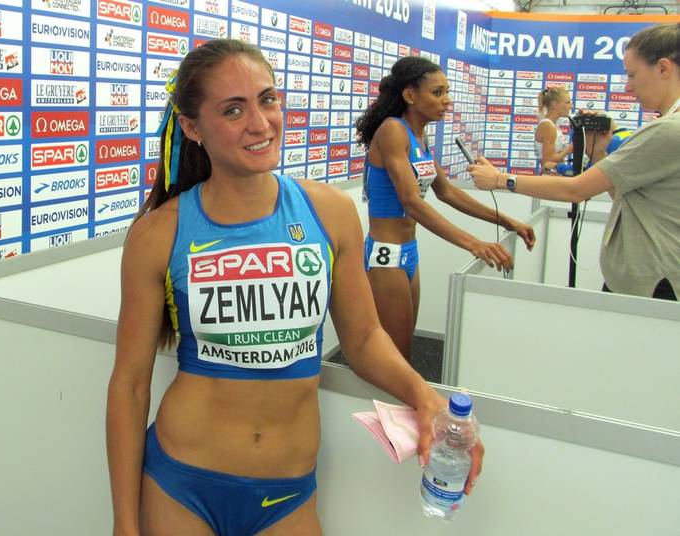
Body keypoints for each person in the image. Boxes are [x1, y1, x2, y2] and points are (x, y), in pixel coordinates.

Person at [106, 39, 484, 536]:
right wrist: (124, 523)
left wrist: (424, 396)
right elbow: (130, 385)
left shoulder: (329, 212)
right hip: (181, 484)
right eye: (233, 109)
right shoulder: (158, 233)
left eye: (267, 99)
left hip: (288, 493)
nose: (260, 123)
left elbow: (364, 337)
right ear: (193, 127)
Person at [470, 23, 680, 301]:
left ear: (663, 68)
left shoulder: (668, 129)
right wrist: (598, 154)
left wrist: (500, 179)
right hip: (649, 279)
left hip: (655, 283)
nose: (628, 87)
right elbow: (629, 198)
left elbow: (576, 190)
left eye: (632, 75)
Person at [353, 56, 536, 359]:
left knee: (403, 349)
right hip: (386, 254)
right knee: (396, 356)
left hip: (408, 251)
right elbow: (411, 202)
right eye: (437, 93)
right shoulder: (392, 130)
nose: (447, 100)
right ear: (410, 95)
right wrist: (473, 244)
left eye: (446, 92)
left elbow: (447, 192)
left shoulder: (419, 135)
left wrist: (508, 221)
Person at [534, 86, 574, 174]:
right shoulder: (548, 126)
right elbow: (547, 161)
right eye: (568, 102)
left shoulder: (554, 125)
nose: (571, 106)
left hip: (555, 176)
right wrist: (568, 150)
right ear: (555, 104)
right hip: (549, 177)